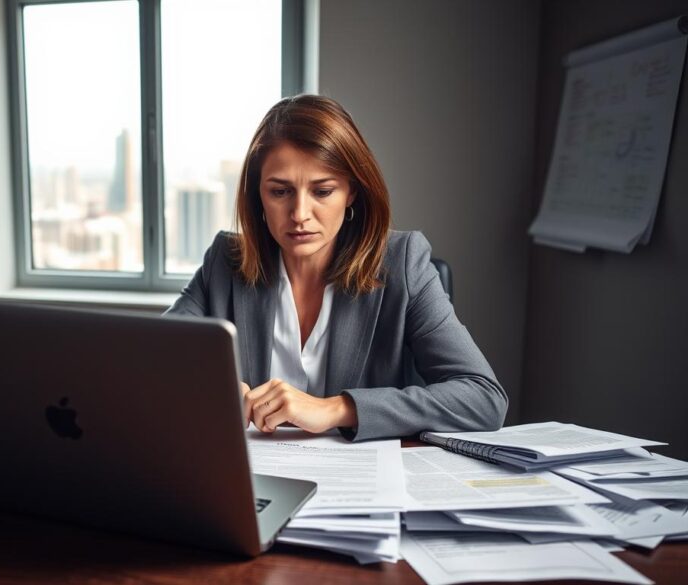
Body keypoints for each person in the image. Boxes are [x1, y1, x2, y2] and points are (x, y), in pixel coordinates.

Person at [164, 95, 507, 441]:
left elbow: (483, 398)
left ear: (352, 191)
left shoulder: (403, 262)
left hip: (360, 485)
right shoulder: (225, 260)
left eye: (323, 191)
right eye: (280, 192)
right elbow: (151, 362)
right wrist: (209, 387)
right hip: (254, 481)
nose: (299, 214)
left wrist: (336, 408)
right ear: (258, 195)